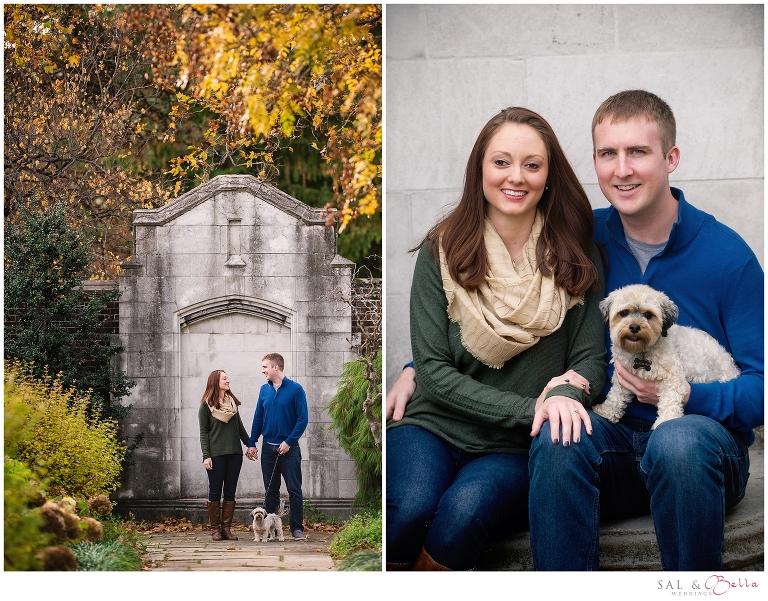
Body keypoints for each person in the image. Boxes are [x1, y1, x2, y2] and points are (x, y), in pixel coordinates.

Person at [387, 90, 765, 571]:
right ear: (594, 162)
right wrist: (417, 365)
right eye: (609, 153)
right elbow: (482, 317)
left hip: (697, 447)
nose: (622, 169)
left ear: (671, 157)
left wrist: (687, 397)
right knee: (560, 436)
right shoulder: (587, 237)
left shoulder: (729, 258)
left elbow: (761, 387)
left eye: (638, 152)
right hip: (610, 441)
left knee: (677, 444)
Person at [386, 107, 607, 571]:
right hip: (434, 425)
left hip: (514, 446)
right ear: (480, 170)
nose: (516, 177)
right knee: (407, 510)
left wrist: (565, 395)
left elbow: (590, 359)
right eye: (501, 162)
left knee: (462, 516)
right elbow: (433, 372)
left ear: (549, 176)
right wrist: (533, 409)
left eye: (532, 164)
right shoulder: (442, 251)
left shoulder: (577, 254)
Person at [246, 353, 309, 540]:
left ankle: (297, 529)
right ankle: (270, 531)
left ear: (275, 367)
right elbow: (258, 417)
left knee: (294, 490)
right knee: (270, 490)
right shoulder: (263, 390)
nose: (262, 370)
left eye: (265, 367)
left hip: (290, 449)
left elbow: (302, 419)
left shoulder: (296, 390)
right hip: (268, 448)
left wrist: (289, 441)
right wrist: (252, 442)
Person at [199, 369, 254, 541]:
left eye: (227, 377)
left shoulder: (232, 404)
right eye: (224, 378)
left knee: (230, 492)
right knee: (215, 491)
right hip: (216, 455)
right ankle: (215, 529)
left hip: (235, 455)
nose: (228, 380)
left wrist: (250, 445)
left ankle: (226, 529)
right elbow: (203, 433)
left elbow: (240, 429)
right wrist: (206, 456)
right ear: (216, 382)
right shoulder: (206, 405)